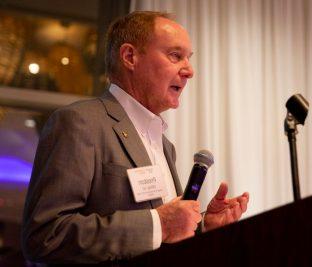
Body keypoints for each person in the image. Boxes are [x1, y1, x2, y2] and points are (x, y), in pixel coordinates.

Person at [22, 11, 249, 264]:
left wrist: (203, 227)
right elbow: (45, 236)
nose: (189, 71)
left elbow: (161, 238)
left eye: (189, 58)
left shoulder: (165, 146)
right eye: (175, 56)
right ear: (130, 56)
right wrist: (159, 223)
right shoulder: (80, 123)